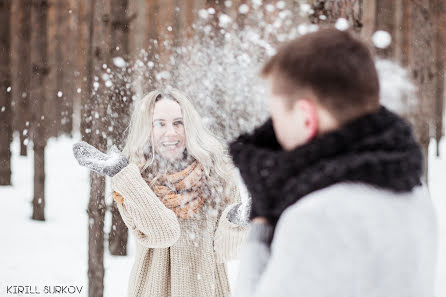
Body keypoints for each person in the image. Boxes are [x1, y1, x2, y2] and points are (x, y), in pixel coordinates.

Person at [229, 28, 437, 297]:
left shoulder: (315, 217)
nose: (272, 128)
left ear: (306, 117)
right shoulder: (414, 193)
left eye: (276, 115)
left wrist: (262, 222)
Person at [73, 89, 248, 297]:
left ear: (189, 126)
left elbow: (226, 250)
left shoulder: (216, 174)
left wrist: (236, 221)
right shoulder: (133, 180)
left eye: (178, 123)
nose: (171, 132)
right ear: (147, 129)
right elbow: (163, 233)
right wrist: (124, 176)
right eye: (160, 124)